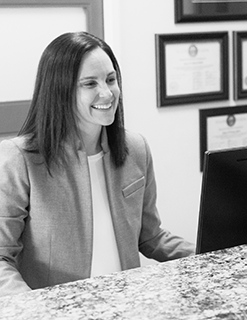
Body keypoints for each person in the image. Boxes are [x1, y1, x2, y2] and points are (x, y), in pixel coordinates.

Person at [0, 32, 195, 297]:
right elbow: (2, 257)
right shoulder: (18, 159)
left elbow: (150, 236)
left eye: (111, 79)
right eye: (90, 83)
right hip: (56, 319)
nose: (107, 92)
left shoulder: (136, 148)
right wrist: (33, 308)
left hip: (125, 308)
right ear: (60, 90)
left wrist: (213, 253)